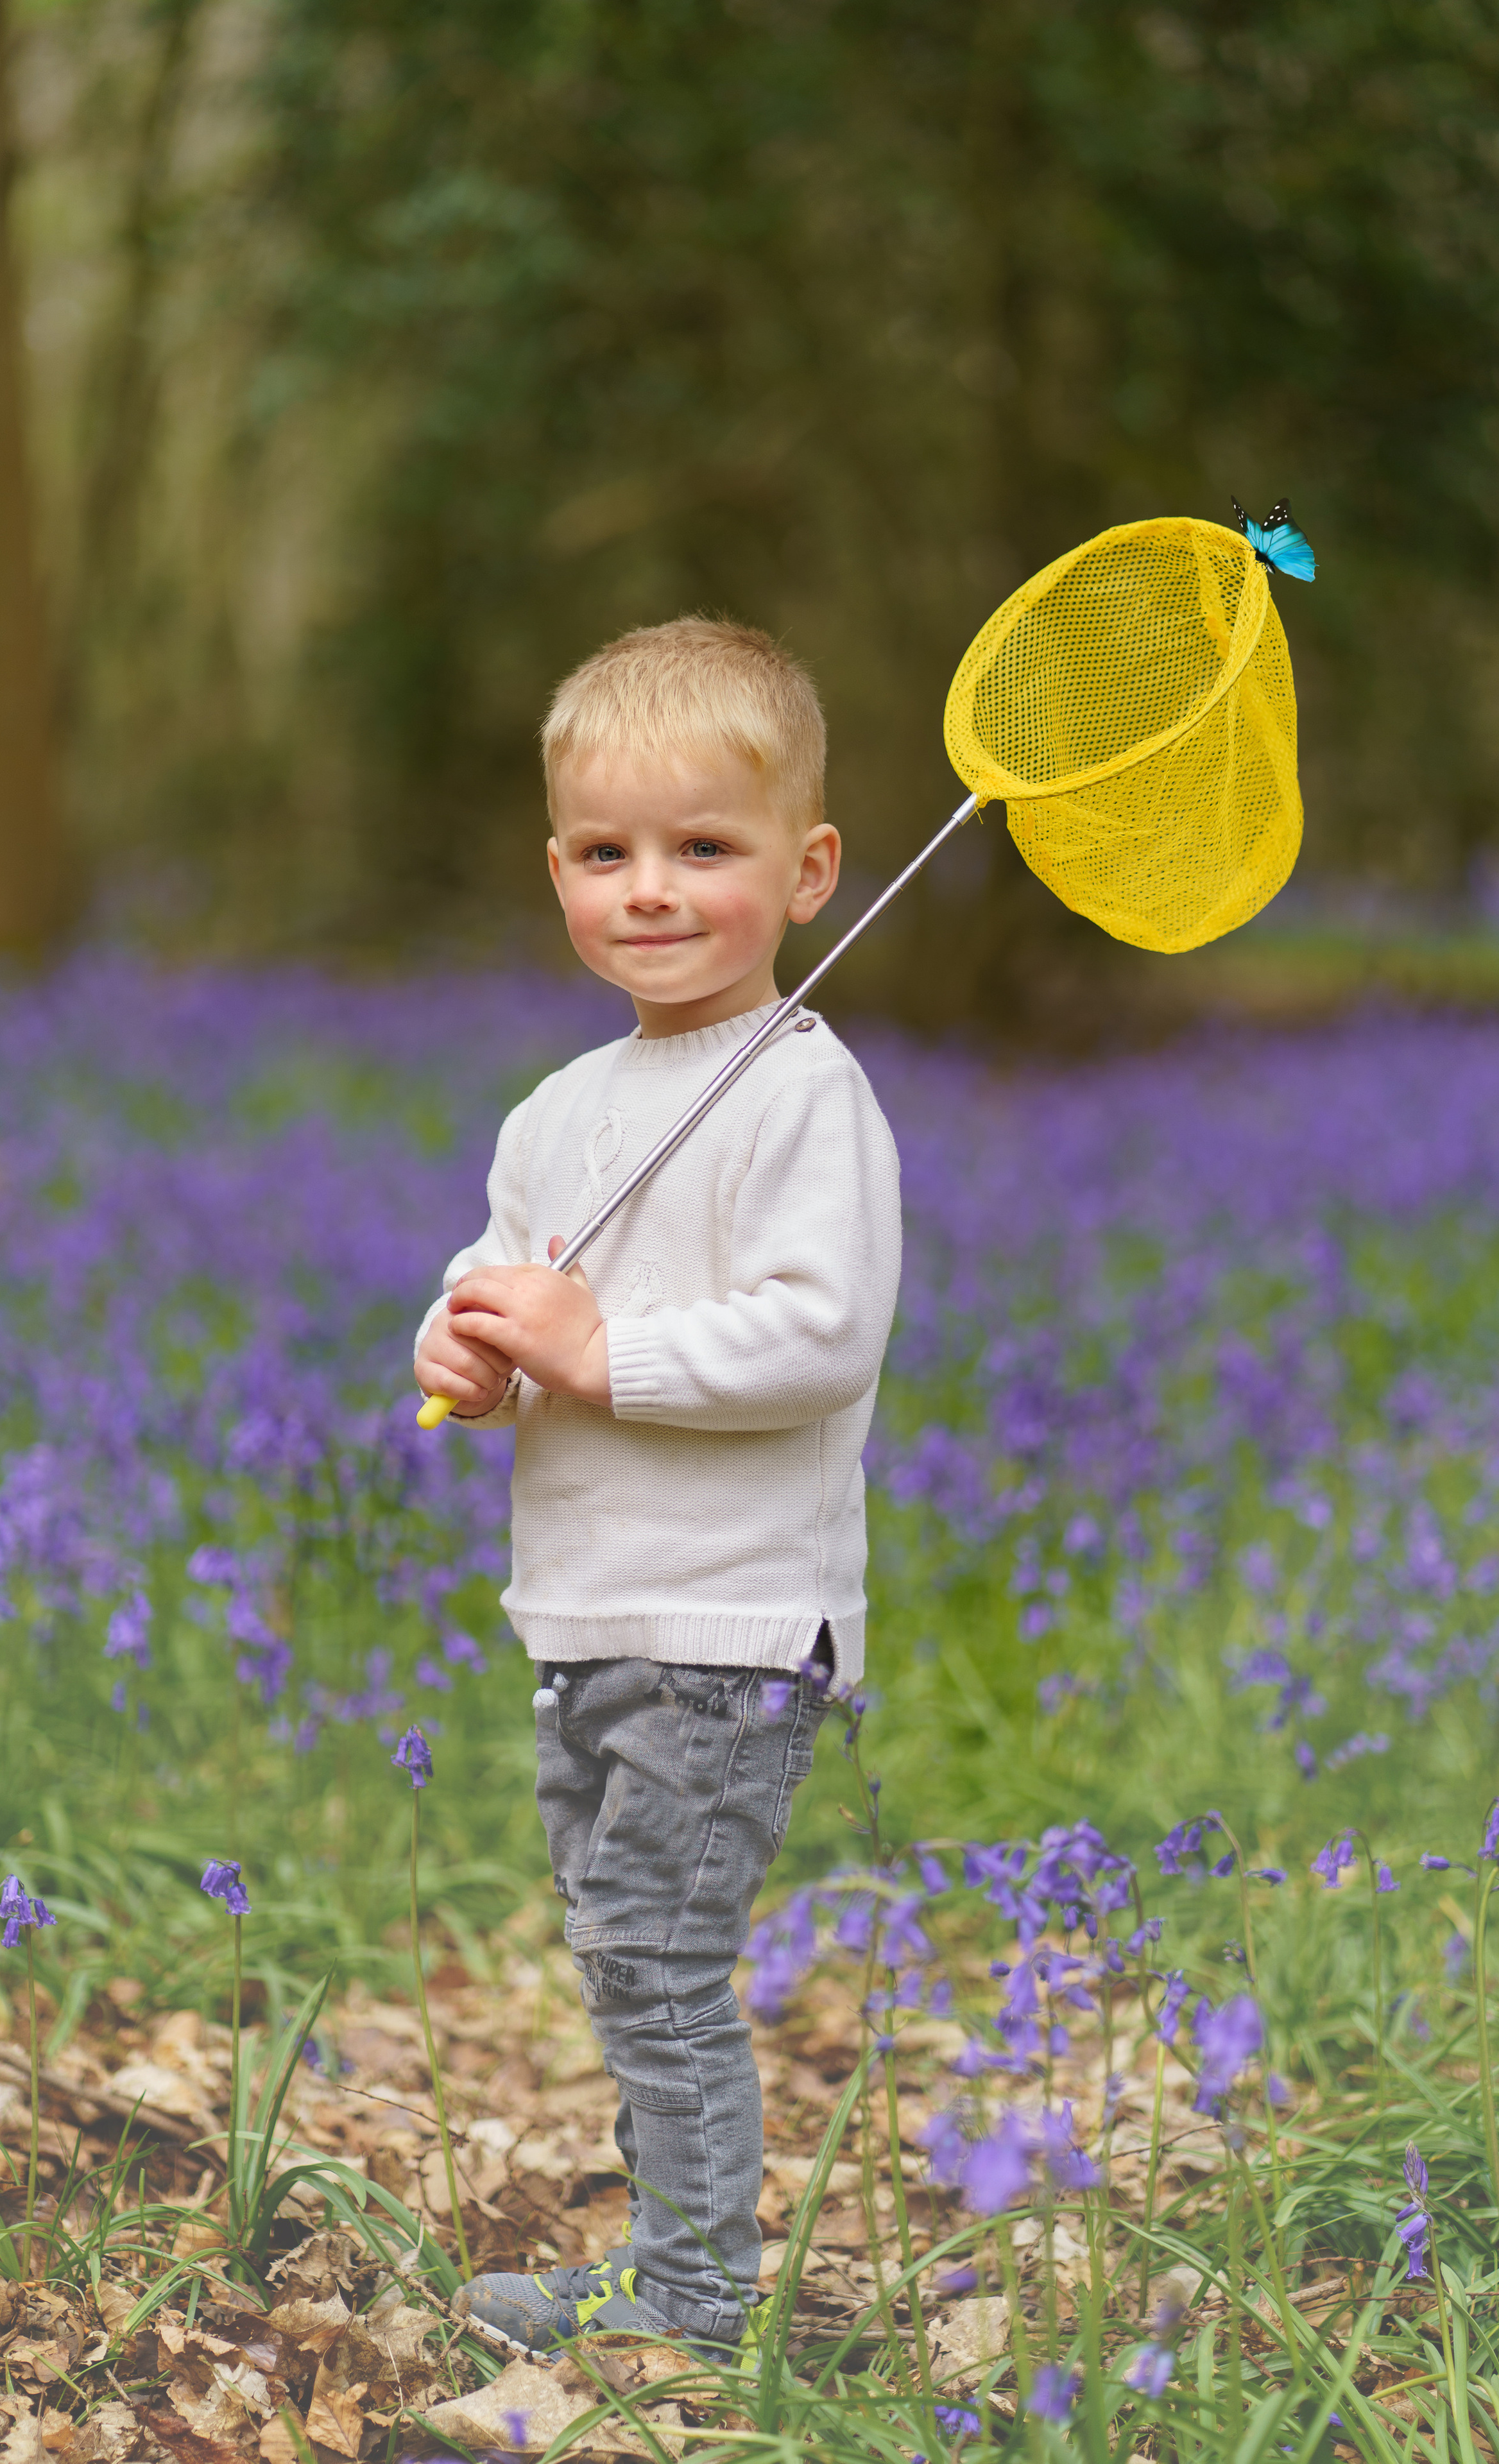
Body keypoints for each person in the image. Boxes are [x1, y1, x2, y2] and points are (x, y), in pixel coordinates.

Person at [413, 616, 902, 2360]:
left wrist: (598, 1350)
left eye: (706, 848)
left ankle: (693, 2296)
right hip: (589, 1613)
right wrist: (468, 1346)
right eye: (609, 852)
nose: (653, 889)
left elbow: (818, 1337)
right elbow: (503, 1267)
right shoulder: (558, 1110)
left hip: (737, 1622)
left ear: (811, 869)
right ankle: (667, 2256)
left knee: (656, 1956)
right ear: (558, 870)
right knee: (624, 1954)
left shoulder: (804, 1096)